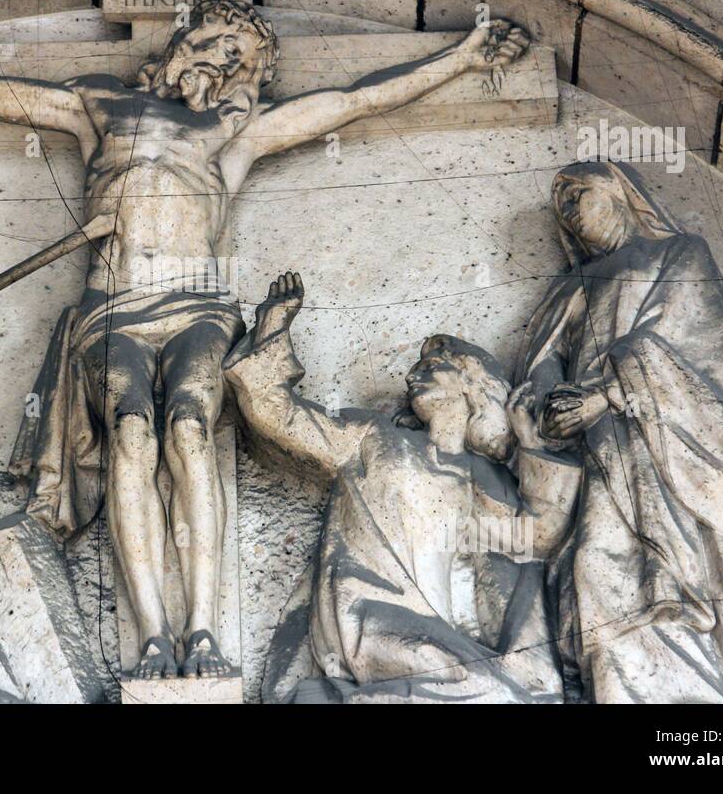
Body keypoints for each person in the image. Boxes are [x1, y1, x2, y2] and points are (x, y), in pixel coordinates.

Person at [0, 0, 530, 678]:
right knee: (131, 433)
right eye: (212, 42)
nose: (222, 61)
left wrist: (462, 59)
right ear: (181, 43)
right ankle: (152, 633)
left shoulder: (232, 132)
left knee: (187, 425)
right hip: (111, 308)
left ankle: (202, 628)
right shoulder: (100, 103)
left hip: (197, 305)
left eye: (239, 58)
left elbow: (350, 100)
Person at [514, 160, 723, 703]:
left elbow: (701, 351)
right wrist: (551, 405)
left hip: (669, 443)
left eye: (577, 194)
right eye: (560, 205)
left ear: (618, 194)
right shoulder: (570, 286)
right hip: (595, 450)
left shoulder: (679, 253)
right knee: (592, 569)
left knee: (664, 572)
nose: (569, 211)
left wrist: (605, 396)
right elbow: (544, 359)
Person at [226, 273, 561, 703]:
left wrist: (532, 442)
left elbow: (536, 540)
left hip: (440, 629)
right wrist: (273, 325)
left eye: (432, 367)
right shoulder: (375, 437)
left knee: (493, 685)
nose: (412, 375)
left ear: (471, 384)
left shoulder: (483, 478)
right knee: (480, 684)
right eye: (417, 367)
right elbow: (279, 416)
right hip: (365, 611)